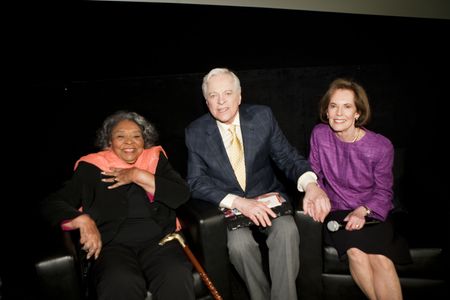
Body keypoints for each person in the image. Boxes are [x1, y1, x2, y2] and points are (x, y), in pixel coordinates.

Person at [185, 67, 330, 300]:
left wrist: (312, 185)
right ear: (206, 101)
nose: (221, 102)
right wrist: (240, 202)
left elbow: (287, 156)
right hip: (232, 207)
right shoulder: (195, 132)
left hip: (267, 199)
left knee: (287, 231)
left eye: (227, 93)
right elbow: (195, 181)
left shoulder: (262, 117)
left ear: (239, 96)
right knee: (240, 246)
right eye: (213, 95)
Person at [40, 111, 195, 300]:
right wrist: (82, 220)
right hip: (112, 246)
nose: (129, 142)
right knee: (121, 281)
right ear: (109, 142)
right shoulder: (91, 167)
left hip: (160, 241)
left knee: (175, 275)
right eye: (120, 136)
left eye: (136, 136)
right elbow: (52, 203)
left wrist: (138, 175)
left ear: (144, 141)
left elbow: (181, 194)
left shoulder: (154, 159)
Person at [308, 78, 411, 300]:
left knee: (381, 259)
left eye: (347, 106)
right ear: (326, 110)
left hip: (372, 211)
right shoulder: (319, 134)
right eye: (333, 106)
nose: (338, 113)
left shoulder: (380, 146)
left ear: (358, 113)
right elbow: (313, 174)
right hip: (337, 211)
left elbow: (384, 191)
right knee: (356, 253)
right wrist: (314, 191)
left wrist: (363, 210)